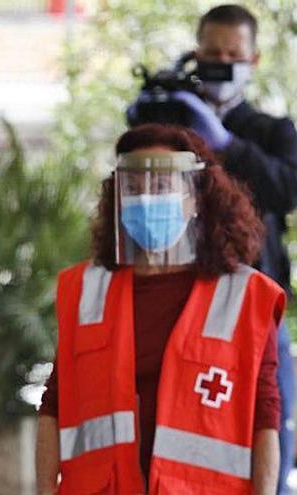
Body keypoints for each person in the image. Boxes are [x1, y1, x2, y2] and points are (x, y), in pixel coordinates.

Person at [35, 124, 283, 494]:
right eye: (133, 187)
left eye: (163, 185)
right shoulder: (86, 290)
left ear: (195, 197)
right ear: (118, 197)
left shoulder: (244, 295)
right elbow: (54, 404)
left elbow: (265, 417)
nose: (147, 198)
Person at [148, 6, 297, 491]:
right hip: (179, 302)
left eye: (233, 54)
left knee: (268, 420)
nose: (221, 63)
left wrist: (227, 143)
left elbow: (286, 189)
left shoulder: (272, 131)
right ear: (194, 55)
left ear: (253, 60)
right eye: (211, 54)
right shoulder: (172, 121)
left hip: (254, 304)